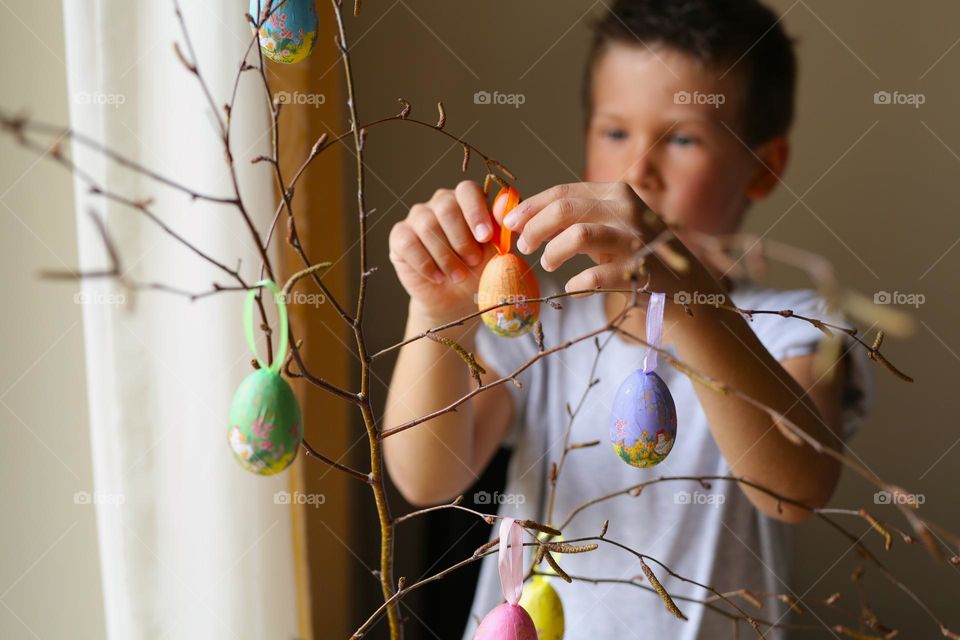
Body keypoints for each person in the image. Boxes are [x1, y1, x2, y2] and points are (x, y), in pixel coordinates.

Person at [382, 0, 874, 637]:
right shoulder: (544, 325)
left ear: (764, 166)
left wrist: (686, 300)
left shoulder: (794, 328)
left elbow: (797, 488)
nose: (638, 171)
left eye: (683, 139)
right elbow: (427, 476)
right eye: (615, 133)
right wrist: (440, 313)